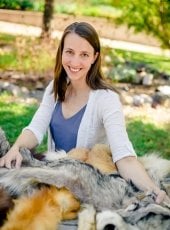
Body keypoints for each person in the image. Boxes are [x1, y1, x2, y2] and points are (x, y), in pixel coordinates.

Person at [0, 22, 168, 204]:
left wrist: (153, 190)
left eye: (84, 55)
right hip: (53, 176)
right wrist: (16, 148)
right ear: (61, 52)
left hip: (86, 187)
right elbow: (35, 129)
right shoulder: (54, 89)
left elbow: (124, 157)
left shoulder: (107, 99)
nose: (75, 62)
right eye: (69, 52)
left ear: (95, 57)